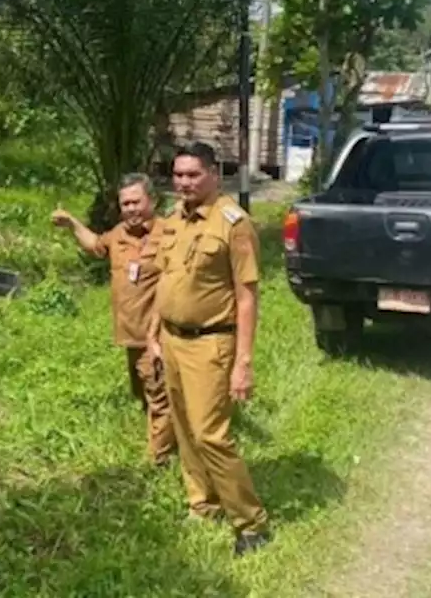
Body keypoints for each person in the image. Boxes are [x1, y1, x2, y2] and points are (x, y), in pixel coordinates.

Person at [147, 141, 270, 558]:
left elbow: (247, 296)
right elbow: (165, 283)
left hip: (211, 344)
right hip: (171, 339)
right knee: (183, 428)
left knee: (210, 434)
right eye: (178, 175)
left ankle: (251, 523)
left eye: (192, 175)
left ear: (214, 174)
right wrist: (153, 335)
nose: (183, 182)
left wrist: (243, 363)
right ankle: (202, 504)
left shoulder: (233, 223)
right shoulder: (172, 222)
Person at [51, 174, 176, 467]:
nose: (131, 209)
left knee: (159, 397)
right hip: (129, 335)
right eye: (125, 204)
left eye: (136, 202)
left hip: (156, 336)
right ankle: (165, 439)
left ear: (153, 201)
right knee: (143, 393)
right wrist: (72, 224)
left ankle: (158, 460)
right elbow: (95, 244)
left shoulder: (170, 234)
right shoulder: (119, 233)